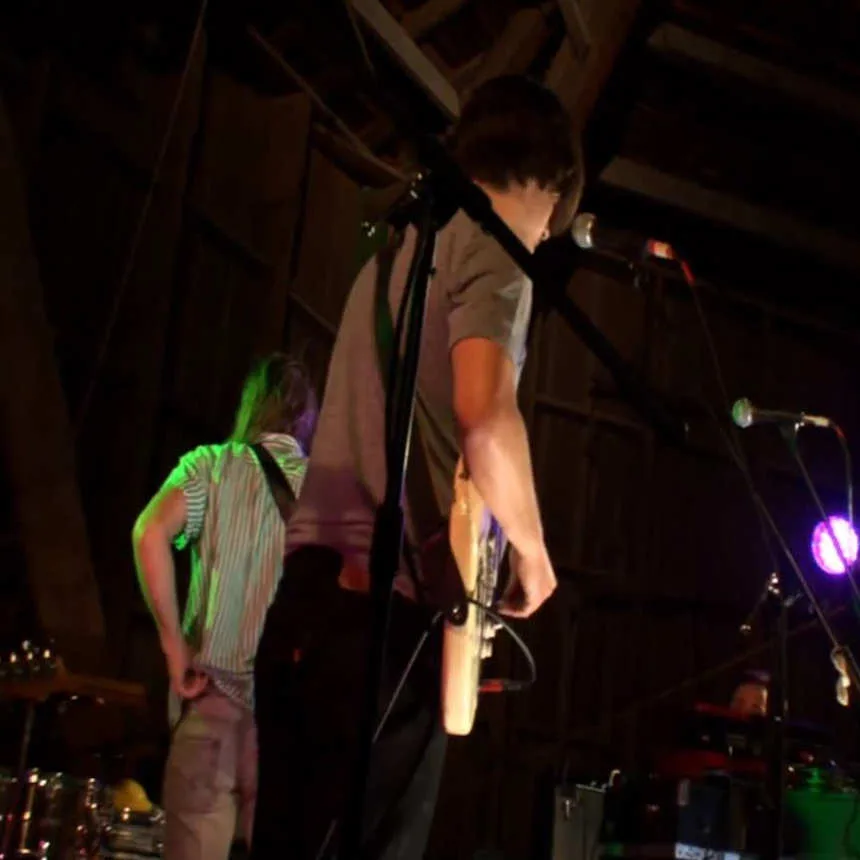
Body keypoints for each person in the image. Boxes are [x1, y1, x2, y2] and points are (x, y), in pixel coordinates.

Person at [250, 76, 581, 859]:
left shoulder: (395, 257)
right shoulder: (495, 250)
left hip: (305, 606)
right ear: (553, 183)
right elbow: (486, 417)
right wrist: (534, 557)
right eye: (550, 225)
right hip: (383, 621)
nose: (543, 242)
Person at [132, 353, 317, 860]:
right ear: (306, 420)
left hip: (210, 710)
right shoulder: (324, 492)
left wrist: (174, 645)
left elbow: (148, 533)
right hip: (283, 737)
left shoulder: (211, 466)